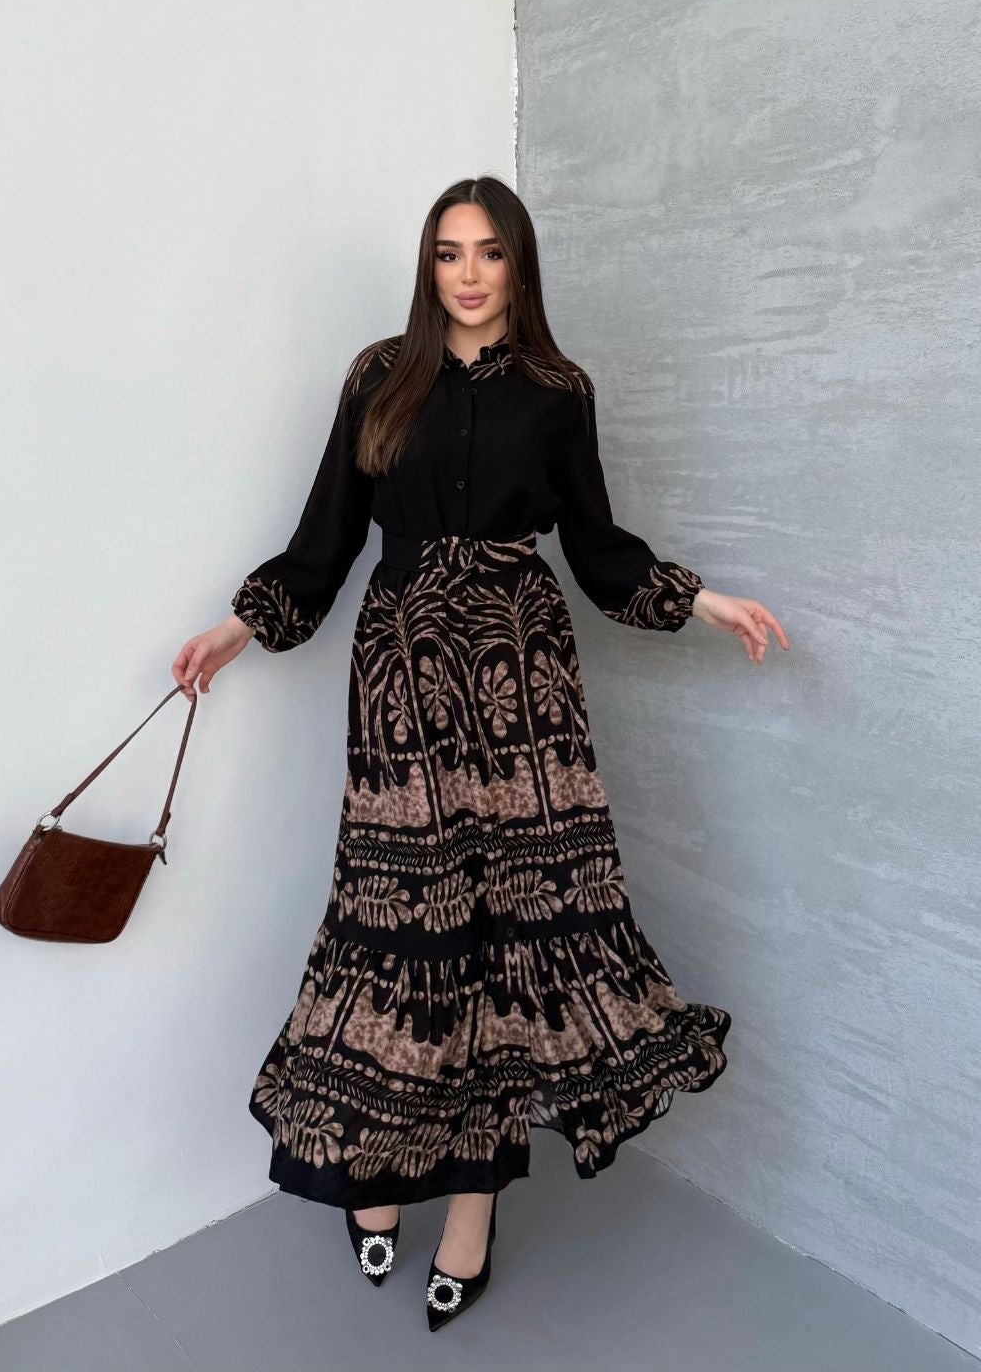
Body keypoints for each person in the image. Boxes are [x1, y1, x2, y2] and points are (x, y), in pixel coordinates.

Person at [172, 176, 788, 1330]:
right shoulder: (378, 376)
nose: (468, 273)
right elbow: (326, 537)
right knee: (401, 929)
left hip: (522, 688)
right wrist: (239, 628)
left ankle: (471, 1210)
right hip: (402, 683)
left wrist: (704, 601)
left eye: (490, 252)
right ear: (429, 265)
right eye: (449, 252)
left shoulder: (558, 391)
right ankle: (378, 1161)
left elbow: (598, 549)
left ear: (519, 265)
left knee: (509, 940)